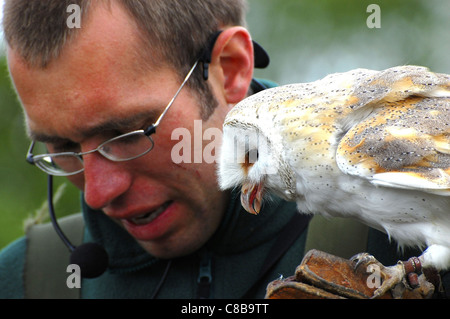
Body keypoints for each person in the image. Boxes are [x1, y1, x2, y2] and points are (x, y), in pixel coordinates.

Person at [0, 0, 444, 299]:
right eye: (60, 147)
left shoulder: (399, 232)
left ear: (230, 70)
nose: (96, 193)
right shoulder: (26, 281)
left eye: (129, 133)